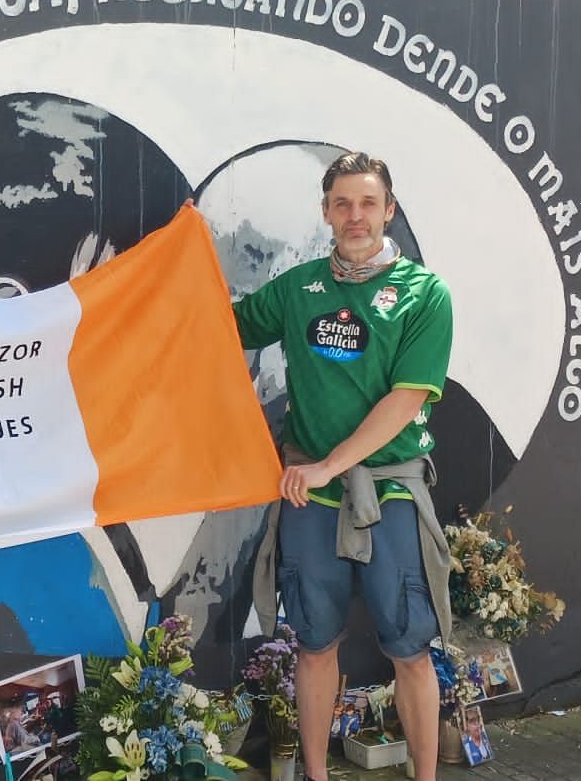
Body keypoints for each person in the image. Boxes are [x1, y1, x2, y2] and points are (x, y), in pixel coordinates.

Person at [233, 151, 456, 781]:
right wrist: (180, 265)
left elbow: (405, 399)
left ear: (388, 210)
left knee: (411, 650)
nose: (355, 217)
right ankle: (315, 774)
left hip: (388, 494)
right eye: (342, 204)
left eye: (367, 203)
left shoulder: (424, 294)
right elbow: (220, 331)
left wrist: (331, 465)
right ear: (326, 213)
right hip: (311, 497)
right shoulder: (297, 289)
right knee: (313, 645)